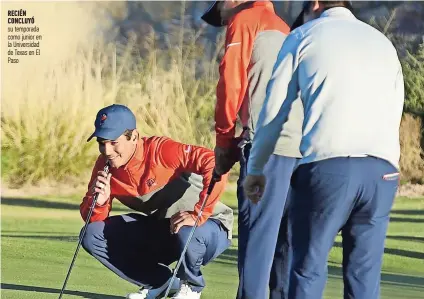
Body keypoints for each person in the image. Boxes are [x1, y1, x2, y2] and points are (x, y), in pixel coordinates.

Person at [243, 1, 405, 299]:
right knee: (364, 277)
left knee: (308, 267)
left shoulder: (304, 35)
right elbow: (396, 107)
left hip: (328, 166)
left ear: (315, 4)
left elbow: (274, 112)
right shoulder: (382, 42)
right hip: (382, 171)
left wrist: (256, 168)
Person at [201, 1, 303, 299]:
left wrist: (223, 142)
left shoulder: (244, 18)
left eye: (220, 13)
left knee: (257, 239)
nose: (223, 22)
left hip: (265, 148)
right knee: (285, 241)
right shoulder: (286, 28)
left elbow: (231, 84)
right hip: (299, 147)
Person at [80, 104, 234, 299]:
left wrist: (199, 212)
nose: (107, 150)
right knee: (91, 234)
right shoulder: (105, 166)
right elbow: (92, 219)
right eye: (102, 143)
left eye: (113, 142)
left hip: (210, 225)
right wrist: (100, 203)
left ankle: (192, 287)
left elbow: (213, 163)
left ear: (134, 137)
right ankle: (161, 282)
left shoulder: (160, 151)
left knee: (186, 230)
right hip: (165, 229)